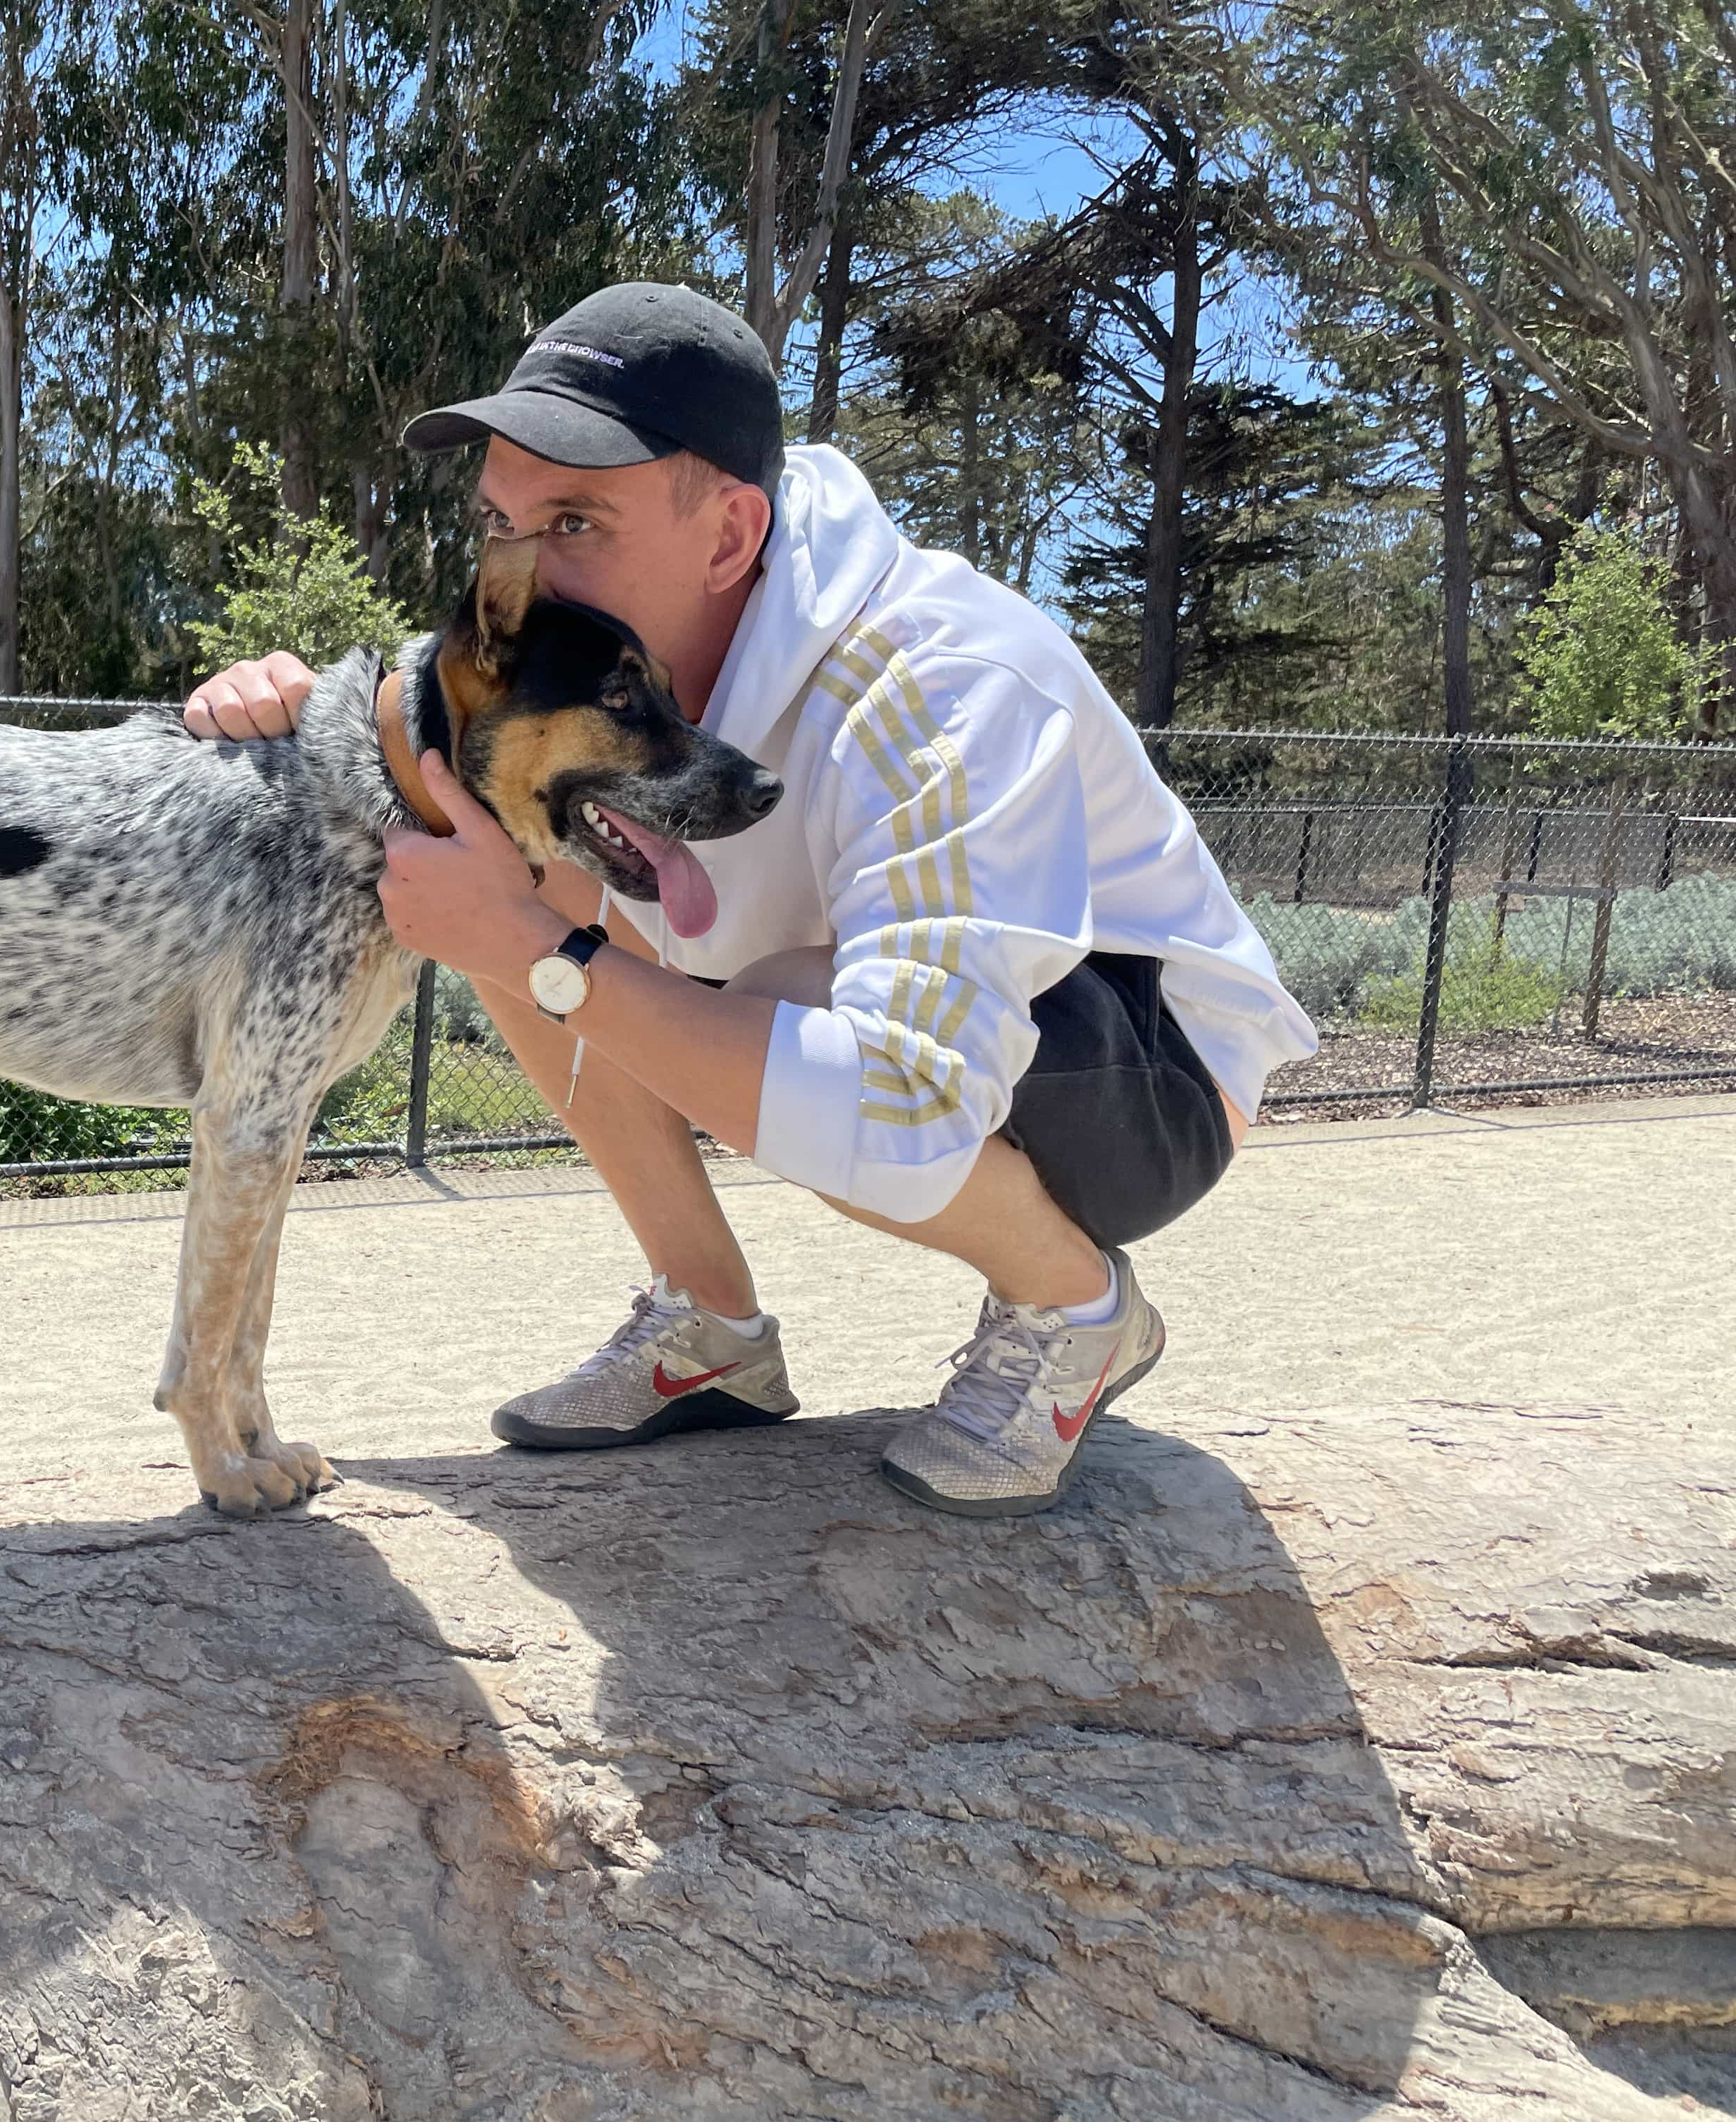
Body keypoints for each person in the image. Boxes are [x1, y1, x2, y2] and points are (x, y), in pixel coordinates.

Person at [181, 282, 1316, 1516]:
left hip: (1149, 1073)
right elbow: (431, 749)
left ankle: (1076, 1308)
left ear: (729, 537)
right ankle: (709, 1323)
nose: (522, 574)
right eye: (502, 521)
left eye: (574, 521)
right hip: (860, 996)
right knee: (501, 853)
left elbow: (906, 1100)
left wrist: (546, 952)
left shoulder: (936, 683)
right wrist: (293, 712)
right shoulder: (616, 644)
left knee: (690, 981)